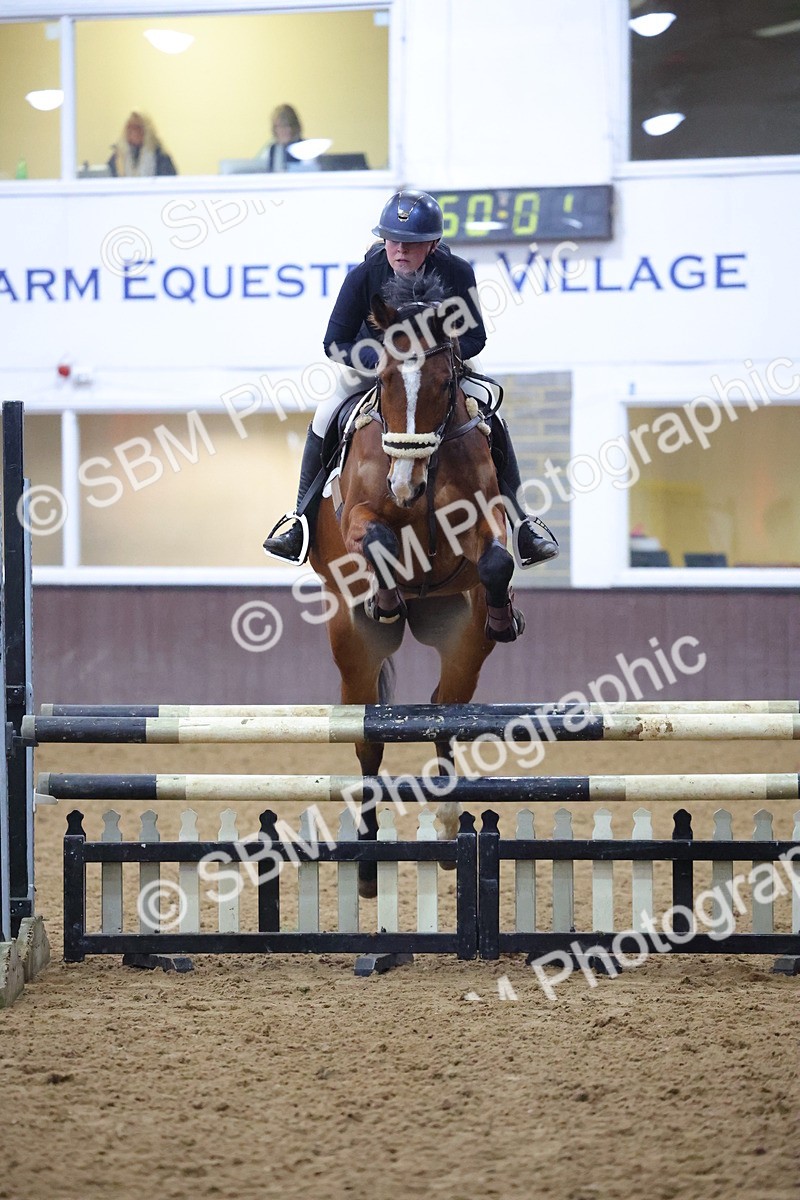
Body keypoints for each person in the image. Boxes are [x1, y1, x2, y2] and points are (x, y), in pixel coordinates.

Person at [263, 189, 559, 567]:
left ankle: (522, 525)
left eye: (411, 243)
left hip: (440, 369)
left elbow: (475, 337)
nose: (400, 250)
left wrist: (439, 361)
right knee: (324, 415)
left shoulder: (457, 273)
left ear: (433, 244)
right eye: (393, 241)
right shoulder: (364, 275)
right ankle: (299, 520)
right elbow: (334, 341)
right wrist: (386, 362)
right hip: (375, 369)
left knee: (493, 417)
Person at [107, 112, 177, 177]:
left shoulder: (160, 156)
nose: (133, 132)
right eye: (130, 128)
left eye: (137, 127)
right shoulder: (118, 157)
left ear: (147, 130)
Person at [260, 104, 303, 172]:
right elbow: (258, 168)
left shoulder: (306, 149)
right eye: (278, 126)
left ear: (294, 126)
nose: (282, 130)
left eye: (285, 125)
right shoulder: (271, 150)